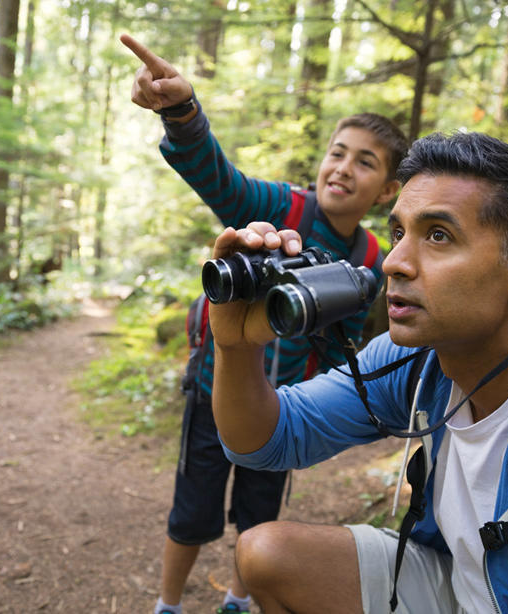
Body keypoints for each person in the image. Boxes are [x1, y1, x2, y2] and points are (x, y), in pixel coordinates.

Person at [205, 131, 508, 613]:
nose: (395, 262)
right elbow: (265, 440)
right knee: (266, 555)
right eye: (399, 232)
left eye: (438, 236)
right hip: (465, 586)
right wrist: (234, 344)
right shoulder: (425, 362)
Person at [120, 34, 409, 614]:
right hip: (214, 390)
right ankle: (168, 605)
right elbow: (220, 181)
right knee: (192, 511)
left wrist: (324, 401)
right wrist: (182, 112)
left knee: (260, 513)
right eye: (337, 152)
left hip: (284, 406)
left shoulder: (373, 260)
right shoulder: (282, 210)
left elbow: (342, 346)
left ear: (389, 189)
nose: (344, 169)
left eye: (365, 161)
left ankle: (236, 599)